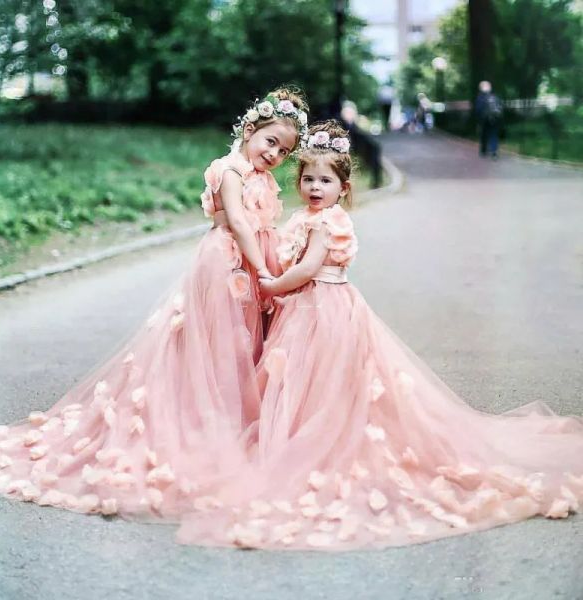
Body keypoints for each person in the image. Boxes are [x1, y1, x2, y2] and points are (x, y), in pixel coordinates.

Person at [175, 120, 583, 551]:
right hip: (303, 309)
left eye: (326, 181)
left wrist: (273, 286)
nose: (315, 187)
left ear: (343, 188)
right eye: (309, 179)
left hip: (323, 308)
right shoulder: (303, 216)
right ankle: (296, 438)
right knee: (297, 377)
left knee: (324, 375)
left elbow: (309, 268)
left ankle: (318, 443)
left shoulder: (326, 223)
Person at [0, 87, 309, 522]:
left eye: (285, 151)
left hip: (256, 262)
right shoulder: (230, 170)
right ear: (251, 130)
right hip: (229, 262)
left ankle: (238, 422)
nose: (275, 154)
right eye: (271, 141)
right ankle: (208, 422)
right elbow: (238, 221)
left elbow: (268, 226)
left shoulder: (264, 179)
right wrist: (264, 272)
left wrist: (282, 259)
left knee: (249, 340)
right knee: (220, 340)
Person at [475, 80, 503, 158]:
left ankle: (483, 151)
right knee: (494, 135)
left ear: (481, 88)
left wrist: (478, 120)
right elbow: (500, 106)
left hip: (484, 120)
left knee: (484, 135)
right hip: (495, 119)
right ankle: (494, 152)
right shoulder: (494, 96)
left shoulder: (480, 97)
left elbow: (478, 110)